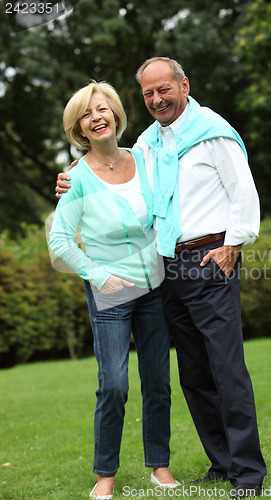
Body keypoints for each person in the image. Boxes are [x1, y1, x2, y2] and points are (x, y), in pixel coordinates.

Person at [56, 58, 267, 498]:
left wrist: (234, 244)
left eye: (164, 90)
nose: (157, 100)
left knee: (227, 370)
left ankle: (248, 472)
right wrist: (70, 176)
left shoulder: (212, 131)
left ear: (184, 85)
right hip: (167, 267)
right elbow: (112, 170)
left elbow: (243, 191)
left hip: (211, 259)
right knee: (193, 372)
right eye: (149, 94)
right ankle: (222, 463)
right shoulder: (149, 143)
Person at [48, 81, 179, 499]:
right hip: (109, 293)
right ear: (80, 128)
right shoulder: (75, 178)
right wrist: (99, 275)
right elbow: (60, 241)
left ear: (117, 115)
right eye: (87, 114)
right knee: (115, 384)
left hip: (154, 286)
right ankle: (105, 475)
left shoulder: (144, 159)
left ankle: (160, 467)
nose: (97, 117)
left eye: (102, 109)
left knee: (157, 379)